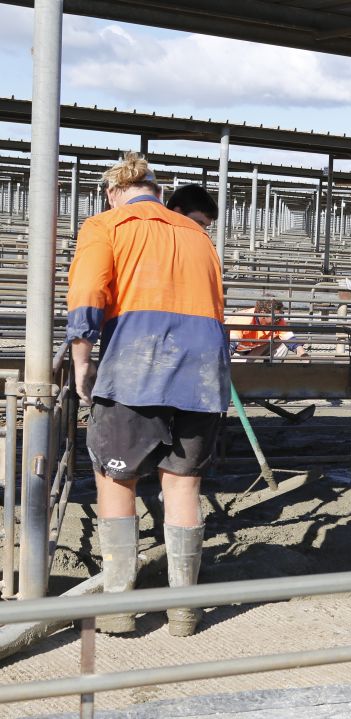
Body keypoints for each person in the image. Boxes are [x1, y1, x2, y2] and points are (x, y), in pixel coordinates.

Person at [67, 152, 230, 637]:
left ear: (113, 191)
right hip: (202, 374)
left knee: (116, 480)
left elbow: (88, 294)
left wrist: (82, 362)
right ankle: (183, 611)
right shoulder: (196, 233)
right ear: (157, 192)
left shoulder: (107, 225)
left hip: (137, 367)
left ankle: (119, 607)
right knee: (183, 484)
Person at [226, 298, 308, 360]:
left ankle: (270, 372)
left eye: (281, 315)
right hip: (236, 351)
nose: (279, 319)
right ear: (263, 314)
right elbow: (231, 344)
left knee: (282, 343)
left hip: (254, 349)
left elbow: (290, 340)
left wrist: (304, 355)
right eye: (276, 317)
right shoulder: (244, 320)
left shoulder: (278, 320)